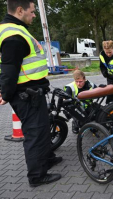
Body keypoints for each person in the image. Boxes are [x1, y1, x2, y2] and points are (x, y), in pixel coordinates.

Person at [0, 0, 62, 187]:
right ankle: (37, 176)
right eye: (32, 11)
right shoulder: (13, 35)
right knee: (35, 133)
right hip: (26, 95)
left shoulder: (13, 28)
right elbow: (9, 69)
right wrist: (6, 94)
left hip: (31, 92)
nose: (34, 15)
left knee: (42, 129)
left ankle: (46, 159)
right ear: (20, 10)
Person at [64, 70, 97, 134]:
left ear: (84, 79)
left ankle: (92, 125)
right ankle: (75, 123)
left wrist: (101, 88)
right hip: (76, 108)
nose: (78, 84)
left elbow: (98, 92)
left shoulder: (91, 85)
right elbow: (65, 101)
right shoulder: (70, 87)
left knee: (97, 112)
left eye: (81, 81)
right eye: (76, 82)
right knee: (81, 121)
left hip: (88, 106)